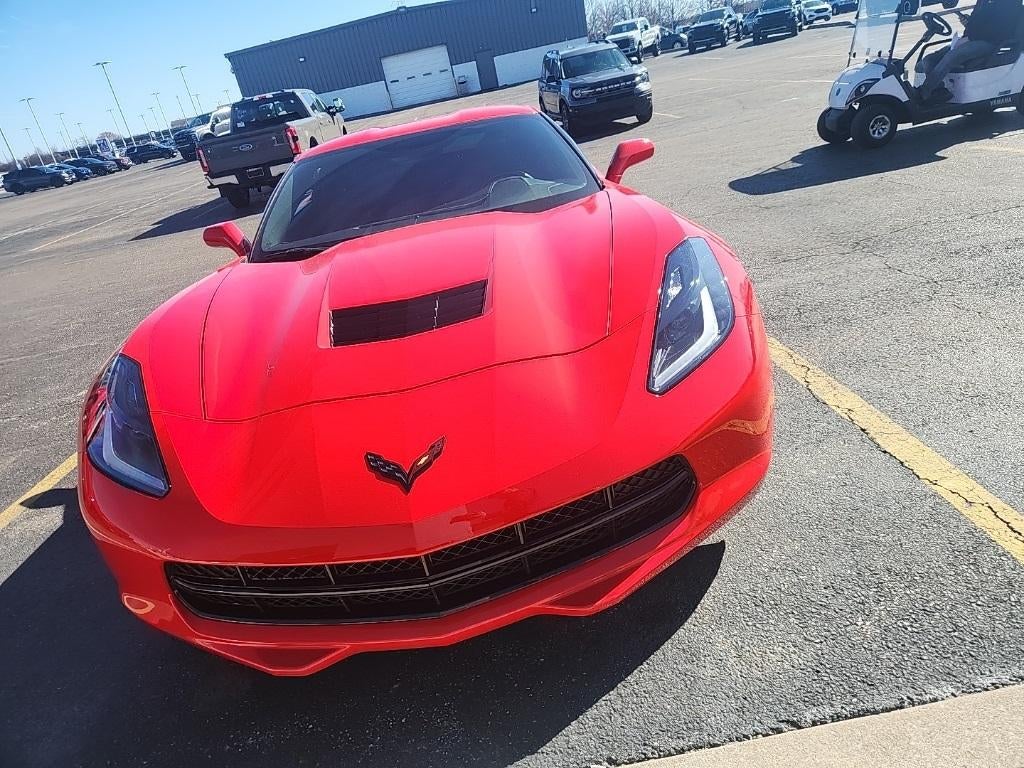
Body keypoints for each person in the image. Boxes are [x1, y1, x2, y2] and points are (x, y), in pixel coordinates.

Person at [919, 0, 1023, 101]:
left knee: (953, 55)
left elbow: (1000, 29)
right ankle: (939, 91)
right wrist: (967, 22)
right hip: (975, 39)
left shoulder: (1009, 2)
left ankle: (924, 92)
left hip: (992, 42)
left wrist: (970, 37)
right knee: (929, 59)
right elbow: (978, 22)